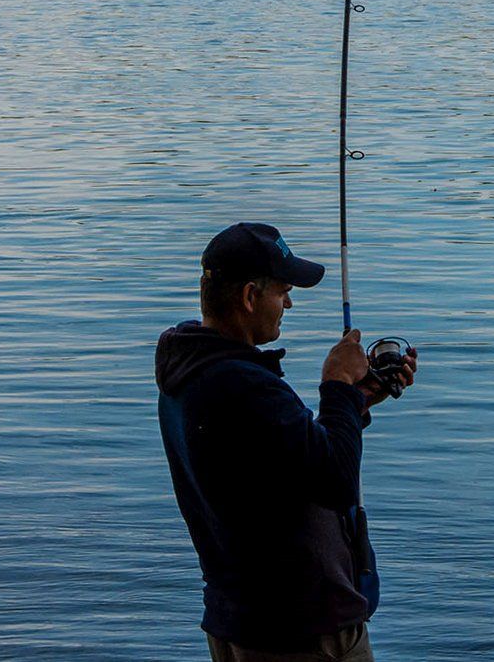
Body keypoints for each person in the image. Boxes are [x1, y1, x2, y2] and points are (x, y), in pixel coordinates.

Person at [157, 222, 418, 662]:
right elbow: (335, 480)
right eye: (282, 291)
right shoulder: (242, 385)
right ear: (249, 297)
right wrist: (336, 383)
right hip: (300, 632)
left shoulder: (189, 372)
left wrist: (356, 400)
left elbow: (287, 458)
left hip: (242, 620)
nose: (289, 302)